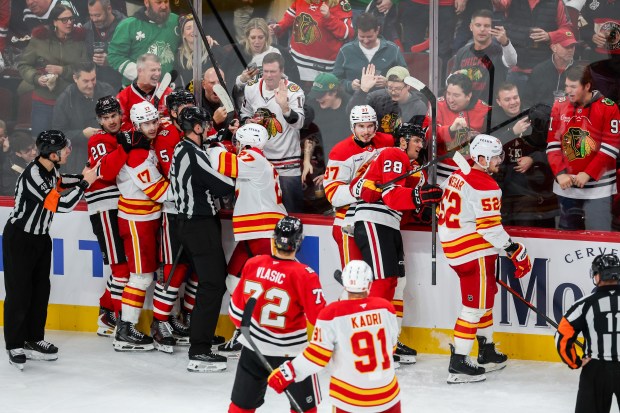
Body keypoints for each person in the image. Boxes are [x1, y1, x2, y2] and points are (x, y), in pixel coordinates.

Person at [437, 134, 532, 383]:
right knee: (474, 308)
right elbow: (489, 229)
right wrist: (514, 250)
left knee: (485, 300)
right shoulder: (486, 185)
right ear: (480, 158)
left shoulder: (458, 174)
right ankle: (458, 363)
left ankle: (487, 350)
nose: (499, 161)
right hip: (473, 252)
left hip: (458, 248)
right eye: (495, 157)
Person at [3, 130, 98, 370]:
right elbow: (62, 204)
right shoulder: (32, 175)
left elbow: (60, 181)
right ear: (53, 154)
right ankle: (14, 344)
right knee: (19, 293)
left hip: (41, 239)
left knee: (40, 291)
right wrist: (86, 182)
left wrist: (80, 177)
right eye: (64, 148)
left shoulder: (50, 169)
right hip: (20, 240)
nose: (68, 151)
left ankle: (34, 339)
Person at [349, 122, 442, 365]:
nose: (421, 146)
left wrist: (426, 203)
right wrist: (419, 196)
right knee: (382, 282)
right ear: (402, 140)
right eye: (417, 140)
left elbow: (410, 203)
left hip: (390, 224)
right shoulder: (394, 154)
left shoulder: (413, 169)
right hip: (374, 219)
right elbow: (391, 196)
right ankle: (373, 344)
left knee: (397, 283)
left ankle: (389, 339)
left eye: (423, 142)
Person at [268, 260, 401, 413]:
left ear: (345, 285)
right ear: (370, 284)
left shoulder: (331, 314)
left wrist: (287, 372)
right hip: (389, 398)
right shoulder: (386, 308)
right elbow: (391, 347)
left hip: (351, 401)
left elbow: (316, 357)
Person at [227, 216, 326, 413]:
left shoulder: (253, 264)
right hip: (291, 355)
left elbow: (236, 314)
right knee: (305, 409)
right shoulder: (305, 275)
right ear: (299, 243)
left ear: (274, 239)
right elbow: (320, 319)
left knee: (240, 408)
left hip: (253, 349)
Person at [208, 123, 288, 354]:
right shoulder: (258, 160)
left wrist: (214, 143)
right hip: (254, 233)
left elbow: (221, 163)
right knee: (234, 281)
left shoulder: (252, 159)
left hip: (263, 232)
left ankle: (259, 338)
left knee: (261, 286)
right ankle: (243, 334)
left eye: (237, 143)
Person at [169, 106, 234, 372]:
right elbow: (223, 186)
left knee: (207, 283)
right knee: (213, 284)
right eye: (204, 125)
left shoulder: (181, 148)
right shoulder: (192, 152)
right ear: (196, 127)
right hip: (199, 224)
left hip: (187, 223)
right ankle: (200, 350)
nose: (207, 128)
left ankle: (199, 339)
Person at [113, 101, 168, 352]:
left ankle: (126, 327)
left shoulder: (144, 146)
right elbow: (158, 191)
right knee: (141, 277)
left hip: (146, 219)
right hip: (137, 222)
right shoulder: (138, 154)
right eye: (147, 123)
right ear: (136, 125)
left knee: (145, 275)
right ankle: (125, 329)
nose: (153, 126)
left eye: (155, 120)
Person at [546, 64, 620, 231]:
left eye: (573, 86)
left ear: (587, 86)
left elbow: (611, 148)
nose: (568, 90)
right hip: (566, 189)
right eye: (566, 86)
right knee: (566, 241)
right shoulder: (559, 105)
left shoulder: (608, 107)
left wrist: (588, 173)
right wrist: (560, 173)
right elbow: (553, 145)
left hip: (599, 191)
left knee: (598, 239)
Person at [324, 105, 393, 271]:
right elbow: (332, 194)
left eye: (370, 126)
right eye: (361, 126)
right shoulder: (340, 152)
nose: (366, 131)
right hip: (347, 220)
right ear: (352, 127)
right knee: (354, 277)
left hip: (375, 217)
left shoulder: (387, 141)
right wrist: (359, 189)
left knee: (378, 276)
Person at [85, 95, 131, 337]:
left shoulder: (120, 133)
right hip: (104, 207)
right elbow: (109, 172)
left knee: (124, 267)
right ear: (99, 120)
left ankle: (106, 312)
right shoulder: (99, 140)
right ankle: (120, 322)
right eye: (106, 118)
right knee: (121, 268)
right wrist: (126, 145)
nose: (111, 121)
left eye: (114, 116)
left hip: (119, 205)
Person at [240, 52, 306, 213]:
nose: (268, 76)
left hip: (287, 164)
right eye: (266, 71)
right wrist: (248, 122)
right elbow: (244, 113)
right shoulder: (251, 87)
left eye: (273, 72)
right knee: (261, 212)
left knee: (291, 213)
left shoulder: (294, 91)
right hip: (260, 162)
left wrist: (285, 108)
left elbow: (300, 123)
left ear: (281, 71)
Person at [556, 253, 620, 413]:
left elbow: (562, 335)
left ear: (598, 276)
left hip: (596, 370)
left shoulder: (584, 304)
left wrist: (574, 362)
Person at [491, 83, 557, 227]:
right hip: (503, 192)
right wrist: (511, 133)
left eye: (515, 97)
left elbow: (554, 150)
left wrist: (533, 159)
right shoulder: (492, 119)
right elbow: (486, 149)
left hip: (532, 192)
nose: (513, 102)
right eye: (507, 99)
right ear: (498, 101)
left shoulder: (535, 116)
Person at [16, 3, 87, 136]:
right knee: (43, 142)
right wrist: (37, 78)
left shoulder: (80, 40)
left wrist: (63, 70)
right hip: (43, 101)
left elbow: (85, 68)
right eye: (64, 20)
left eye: (71, 19)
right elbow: (24, 65)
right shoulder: (40, 39)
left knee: (69, 143)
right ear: (54, 21)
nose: (69, 23)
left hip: (71, 100)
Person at [492, 0, 573, 92]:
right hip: (516, 67)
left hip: (545, 69)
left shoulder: (556, 2)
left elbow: (567, 30)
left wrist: (550, 36)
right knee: (515, 104)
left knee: (543, 105)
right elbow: (499, 5)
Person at [51, 61, 116, 174]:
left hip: (108, 149)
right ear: (75, 78)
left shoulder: (107, 91)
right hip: (79, 155)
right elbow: (58, 135)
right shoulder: (65, 100)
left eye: (93, 79)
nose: (90, 85)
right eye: (85, 81)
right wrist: (82, 134)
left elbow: (120, 117)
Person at [268, 0, 354, 83]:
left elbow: (348, 34)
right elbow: (287, 19)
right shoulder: (301, 1)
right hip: (296, 63)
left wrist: (329, 17)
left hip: (323, 68)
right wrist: (278, 27)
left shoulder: (341, 4)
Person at [452, 9, 518, 104]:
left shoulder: (500, 50)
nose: (482, 29)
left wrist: (505, 42)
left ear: (492, 28)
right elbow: (450, 81)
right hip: (467, 108)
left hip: (491, 110)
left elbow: (512, 62)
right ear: (471, 27)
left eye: (486, 26)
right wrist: (456, 76)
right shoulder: (462, 52)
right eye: (478, 25)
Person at [107, 0, 180, 87]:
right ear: (146, 3)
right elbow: (114, 55)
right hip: (136, 91)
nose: (164, 6)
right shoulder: (129, 25)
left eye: (166, 1)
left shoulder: (176, 21)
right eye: (159, 2)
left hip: (167, 90)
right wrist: (140, 75)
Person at [434, 73, 491, 183]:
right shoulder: (437, 105)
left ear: (468, 95)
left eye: (456, 95)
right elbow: (428, 134)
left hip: (471, 172)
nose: (450, 99)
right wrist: (450, 129)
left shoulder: (484, 110)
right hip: (440, 169)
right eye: (448, 94)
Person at [332, 12, 406, 95]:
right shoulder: (345, 51)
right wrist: (350, 85)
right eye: (362, 37)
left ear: (377, 30)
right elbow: (335, 81)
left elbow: (405, 78)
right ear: (357, 31)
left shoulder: (393, 50)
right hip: (354, 102)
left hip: (383, 102)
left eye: (369, 37)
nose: (366, 41)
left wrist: (388, 83)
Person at [346, 65, 428, 133]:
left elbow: (417, 136)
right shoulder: (377, 97)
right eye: (390, 88)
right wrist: (363, 91)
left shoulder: (418, 106)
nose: (393, 92)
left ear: (408, 86)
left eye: (398, 88)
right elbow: (351, 112)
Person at [116, 53, 172, 128]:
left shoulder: (168, 92)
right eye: (153, 70)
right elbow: (121, 126)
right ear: (140, 71)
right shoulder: (123, 97)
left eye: (159, 70)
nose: (158, 73)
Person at [526, 30, 577, 107]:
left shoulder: (581, 72)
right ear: (553, 48)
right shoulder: (539, 70)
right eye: (566, 46)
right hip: (542, 116)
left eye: (572, 46)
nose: (570, 50)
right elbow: (528, 99)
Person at [84, 0, 126, 90]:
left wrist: (111, 61)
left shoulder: (126, 27)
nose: (94, 19)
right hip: (95, 88)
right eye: (91, 15)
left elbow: (135, 57)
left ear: (109, 9)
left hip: (120, 88)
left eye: (97, 15)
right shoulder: (87, 28)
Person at [306, 72, 351, 158]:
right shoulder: (312, 105)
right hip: (319, 155)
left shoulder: (350, 106)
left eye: (321, 95)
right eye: (316, 95)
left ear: (334, 92)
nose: (318, 99)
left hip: (344, 155)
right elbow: (308, 135)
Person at [175, 13, 220, 88]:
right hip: (191, 98)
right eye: (188, 28)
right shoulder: (180, 56)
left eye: (195, 27)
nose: (193, 30)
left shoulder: (212, 48)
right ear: (183, 34)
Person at [0, 131, 37, 196]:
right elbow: (11, 192)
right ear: (18, 154)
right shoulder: (9, 167)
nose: (34, 152)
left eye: (33, 147)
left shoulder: (44, 154)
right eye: (28, 151)